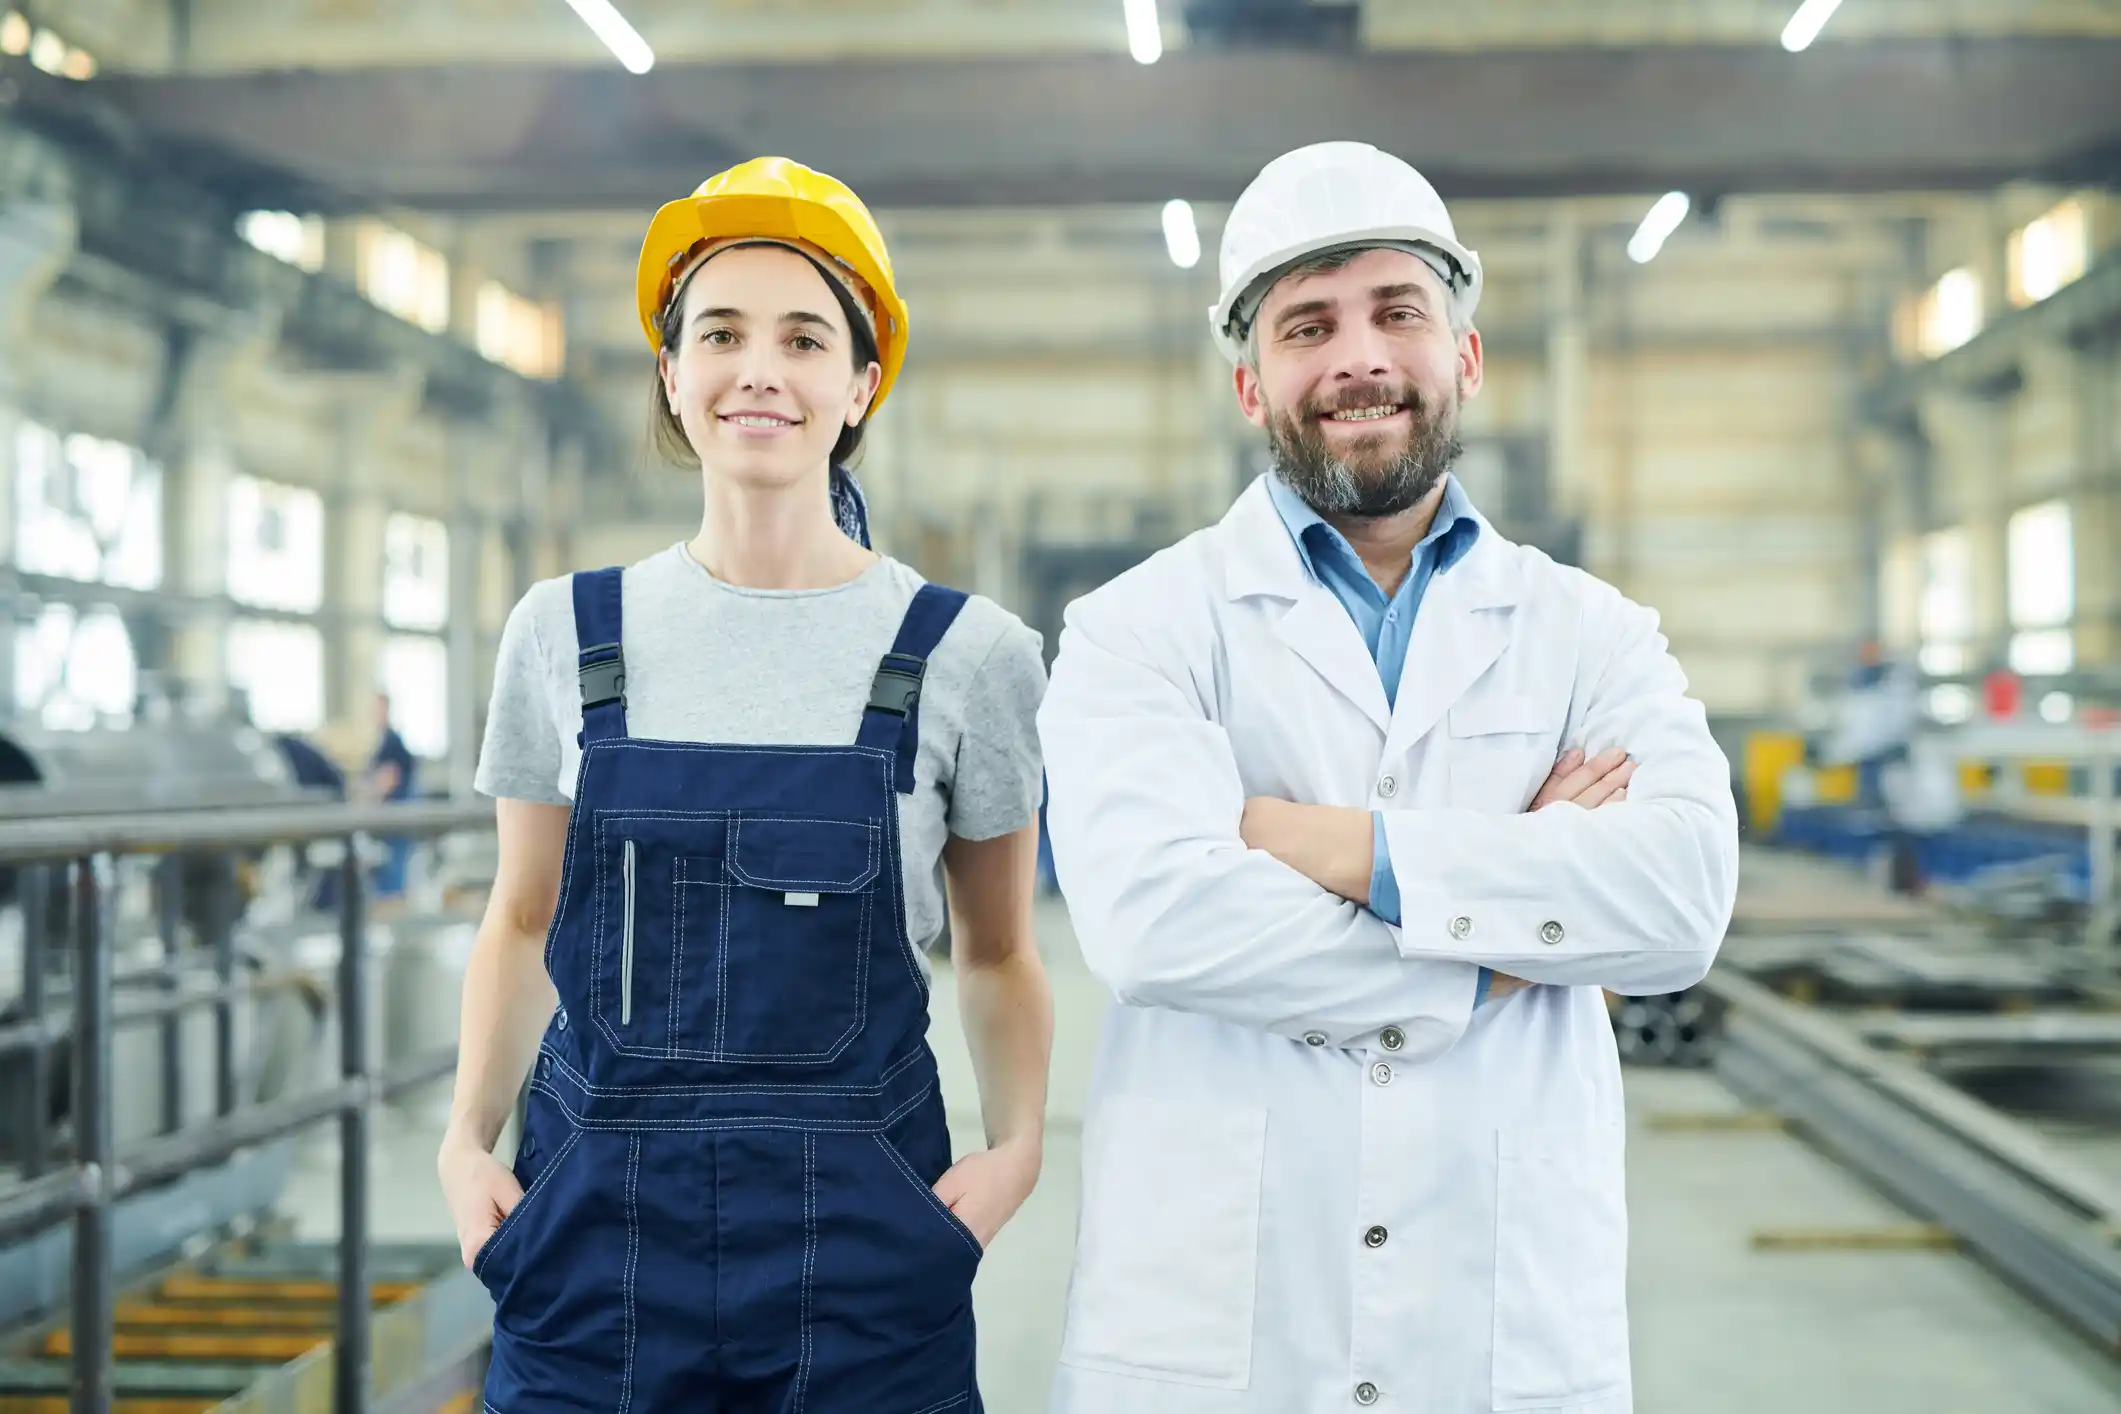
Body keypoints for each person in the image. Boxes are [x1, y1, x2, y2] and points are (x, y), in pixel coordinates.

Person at [1036, 142, 1740, 1414]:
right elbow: (1155, 926)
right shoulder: (1136, 628)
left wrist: (1337, 846)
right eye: (1309, 324)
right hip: (1221, 1332)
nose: (1359, 355)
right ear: (1252, 385)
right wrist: (1513, 935)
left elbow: (1681, 901)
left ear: (1463, 357)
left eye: (1397, 311)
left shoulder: (1591, 630)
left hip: (1501, 1327)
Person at [437, 157, 1054, 1411]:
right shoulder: (563, 632)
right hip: (589, 1241)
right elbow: (519, 913)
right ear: (673, 373)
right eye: (719, 332)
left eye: (803, 336)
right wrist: (463, 1142)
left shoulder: (969, 654)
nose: (758, 368)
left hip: (864, 1254)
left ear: (860, 383)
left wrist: (1020, 1153)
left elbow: (997, 950)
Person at [366, 691, 417, 899]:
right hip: (393, 816)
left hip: (396, 816)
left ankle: (393, 910)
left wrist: (365, 798)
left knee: (393, 873)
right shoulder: (384, 741)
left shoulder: (392, 743)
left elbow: (388, 778)